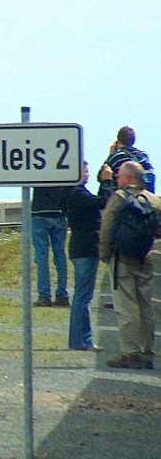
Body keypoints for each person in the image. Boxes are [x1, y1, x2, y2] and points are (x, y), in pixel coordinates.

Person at [99, 160, 161, 369]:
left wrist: (106, 255)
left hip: (122, 259)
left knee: (126, 306)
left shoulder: (120, 198)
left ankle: (130, 353)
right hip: (145, 257)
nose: (117, 179)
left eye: (119, 176)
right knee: (145, 304)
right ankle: (147, 351)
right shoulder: (154, 199)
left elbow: (107, 228)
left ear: (127, 178)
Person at [65, 161, 109, 350]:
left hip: (83, 249)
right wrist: (106, 182)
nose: (88, 174)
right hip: (84, 250)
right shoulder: (77, 194)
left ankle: (83, 339)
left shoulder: (76, 194)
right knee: (83, 297)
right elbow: (102, 201)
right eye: (85, 170)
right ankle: (80, 340)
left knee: (83, 296)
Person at [31, 185, 70, 306]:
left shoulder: (39, 168)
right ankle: (62, 294)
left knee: (41, 255)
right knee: (60, 254)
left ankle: (44, 295)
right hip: (59, 212)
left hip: (39, 212)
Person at [99, 126, 154, 194]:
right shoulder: (144, 156)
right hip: (145, 196)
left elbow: (101, 176)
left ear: (118, 141)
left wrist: (111, 154)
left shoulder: (116, 156)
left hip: (124, 197)